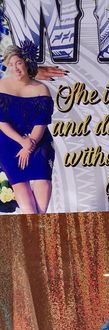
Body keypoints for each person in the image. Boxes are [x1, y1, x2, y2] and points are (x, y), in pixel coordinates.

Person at [0, 42, 55, 213]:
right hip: (9, 140)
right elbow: (2, 122)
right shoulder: (1, 86)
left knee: (43, 186)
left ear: (26, 63)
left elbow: (42, 122)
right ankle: (32, 228)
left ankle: (39, 229)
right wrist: (22, 142)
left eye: (18, 63)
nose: (15, 68)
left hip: (37, 141)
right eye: (10, 64)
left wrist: (29, 144)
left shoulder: (41, 88)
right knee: (26, 202)